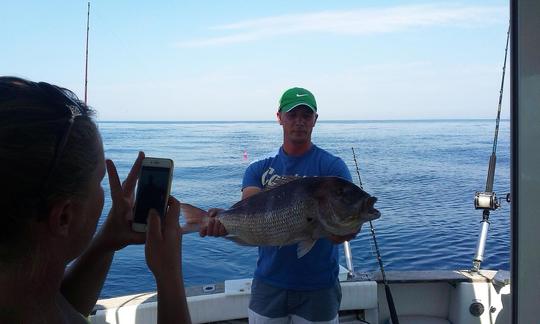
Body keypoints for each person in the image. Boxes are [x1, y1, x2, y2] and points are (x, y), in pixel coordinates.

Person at [0, 76, 191, 324]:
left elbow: (65, 304)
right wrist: (169, 275)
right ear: (64, 217)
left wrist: (106, 241)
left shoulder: (22, 295)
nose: (106, 194)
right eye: (100, 181)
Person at [202, 87, 356, 323]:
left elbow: (344, 232)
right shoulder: (259, 168)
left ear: (315, 120)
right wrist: (223, 223)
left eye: (306, 115)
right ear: (279, 118)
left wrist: (344, 226)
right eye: (292, 115)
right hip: (269, 284)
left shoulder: (333, 168)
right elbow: (249, 212)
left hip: (319, 286)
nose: (299, 122)